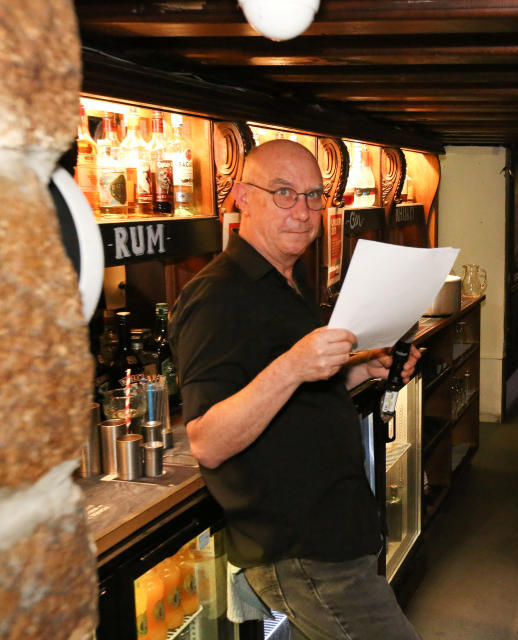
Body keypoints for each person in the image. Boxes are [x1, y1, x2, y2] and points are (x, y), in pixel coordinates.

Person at [170, 139, 422, 640]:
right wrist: (292, 365)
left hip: (338, 527)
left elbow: (298, 398)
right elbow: (207, 439)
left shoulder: (290, 280)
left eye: (313, 196)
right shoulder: (216, 296)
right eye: (284, 193)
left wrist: (361, 370)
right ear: (242, 196)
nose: (303, 212)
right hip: (301, 547)